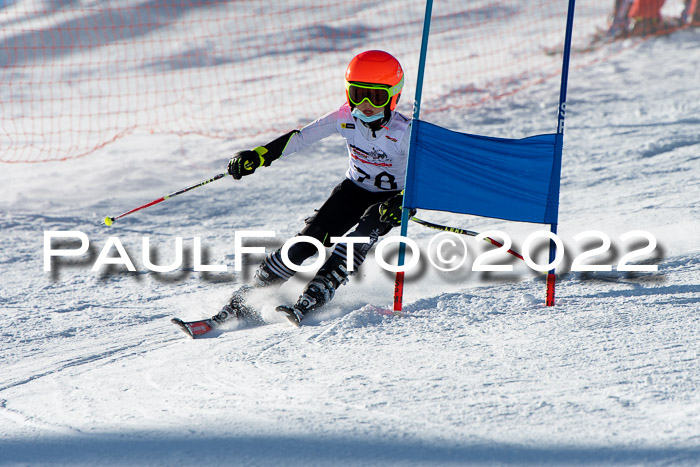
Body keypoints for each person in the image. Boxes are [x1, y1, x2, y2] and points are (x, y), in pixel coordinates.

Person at [224, 50, 415, 326]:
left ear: (393, 97)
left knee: (363, 231)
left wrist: (405, 201)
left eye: (376, 97)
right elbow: (300, 138)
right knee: (312, 235)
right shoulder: (344, 117)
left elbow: (429, 174)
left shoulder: (404, 132)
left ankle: (320, 288)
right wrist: (259, 155)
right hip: (354, 189)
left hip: (391, 199)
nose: (365, 105)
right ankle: (257, 291)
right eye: (358, 94)